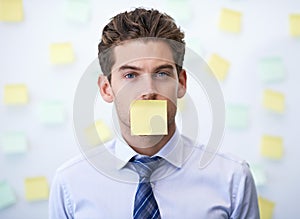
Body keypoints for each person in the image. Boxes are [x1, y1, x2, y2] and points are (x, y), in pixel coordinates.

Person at [49, 8, 260, 219]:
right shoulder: (70, 183)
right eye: (130, 75)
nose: (148, 90)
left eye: (161, 73)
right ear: (106, 89)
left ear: (182, 83)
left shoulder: (233, 178)